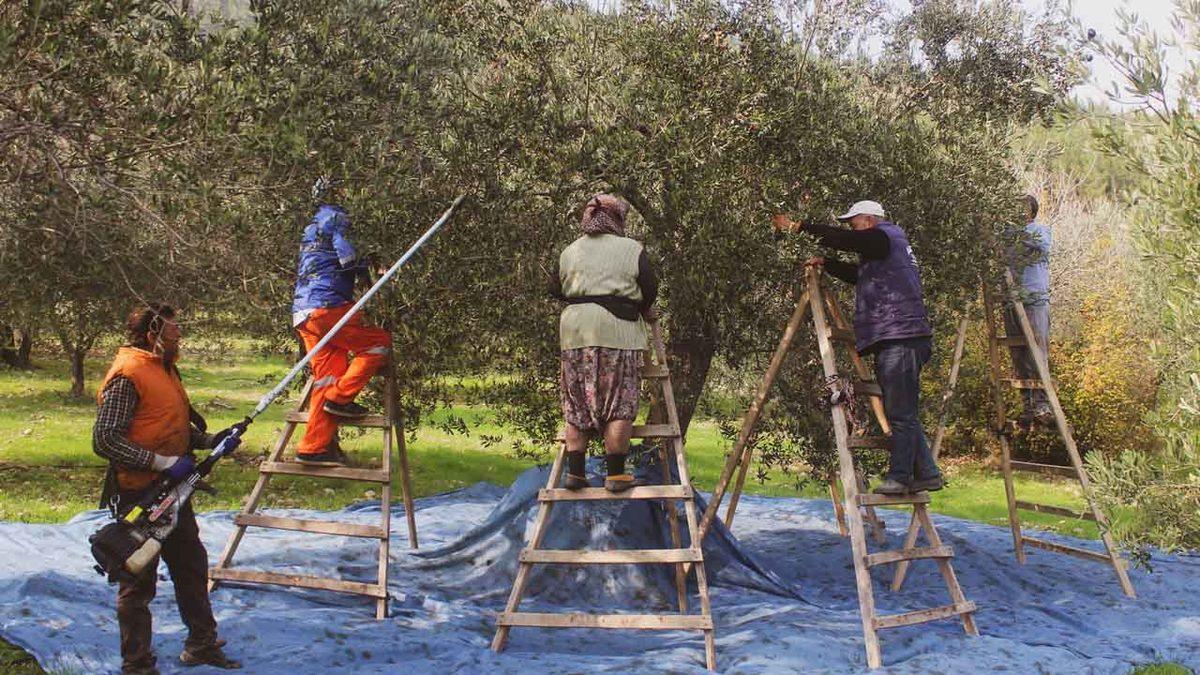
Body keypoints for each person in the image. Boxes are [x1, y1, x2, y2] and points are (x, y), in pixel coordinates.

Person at [93, 304, 241, 674]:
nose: (180, 340)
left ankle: (202, 645)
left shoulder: (164, 369)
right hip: (140, 496)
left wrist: (210, 440)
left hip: (175, 492)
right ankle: (137, 664)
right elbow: (105, 439)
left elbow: (166, 426)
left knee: (191, 566)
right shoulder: (128, 375)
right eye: (174, 334)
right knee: (137, 580)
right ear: (152, 337)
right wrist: (161, 463)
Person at [774, 200, 942, 495]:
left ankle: (900, 476)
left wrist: (797, 227)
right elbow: (858, 275)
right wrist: (828, 263)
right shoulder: (886, 248)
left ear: (868, 221)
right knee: (904, 411)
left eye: (854, 223)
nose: (851, 229)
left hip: (900, 337)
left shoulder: (883, 236)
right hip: (902, 336)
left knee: (900, 414)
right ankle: (927, 473)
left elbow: (846, 240)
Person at [549, 194, 659, 492]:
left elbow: (555, 288)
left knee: (577, 402)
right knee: (619, 403)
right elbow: (650, 288)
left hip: (574, 333)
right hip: (617, 333)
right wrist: (640, 306)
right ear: (618, 219)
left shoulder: (569, 251)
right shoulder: (631, 249)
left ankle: (576, 472)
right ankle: (615, 475)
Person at [290, 176, 392, 466]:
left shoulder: (311, 226)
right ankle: (341, 399)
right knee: (378, 344)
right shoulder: (335, 216)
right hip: (327, 307)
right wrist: (370, 265)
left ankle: (313, 448)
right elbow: (346, 257)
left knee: (328, 374)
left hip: (303, 313)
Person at [1006, 194, 1053, 427]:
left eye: (1020, 208)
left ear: (1030, 211)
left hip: (1034, 298)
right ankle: (1027, 406)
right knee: (1018, 354)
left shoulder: (1040, 231)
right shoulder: (1009, 234)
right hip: (1011, 300)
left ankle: (1042, 405)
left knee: (1037, 350)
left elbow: (1043, 247)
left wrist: (1012, 232)